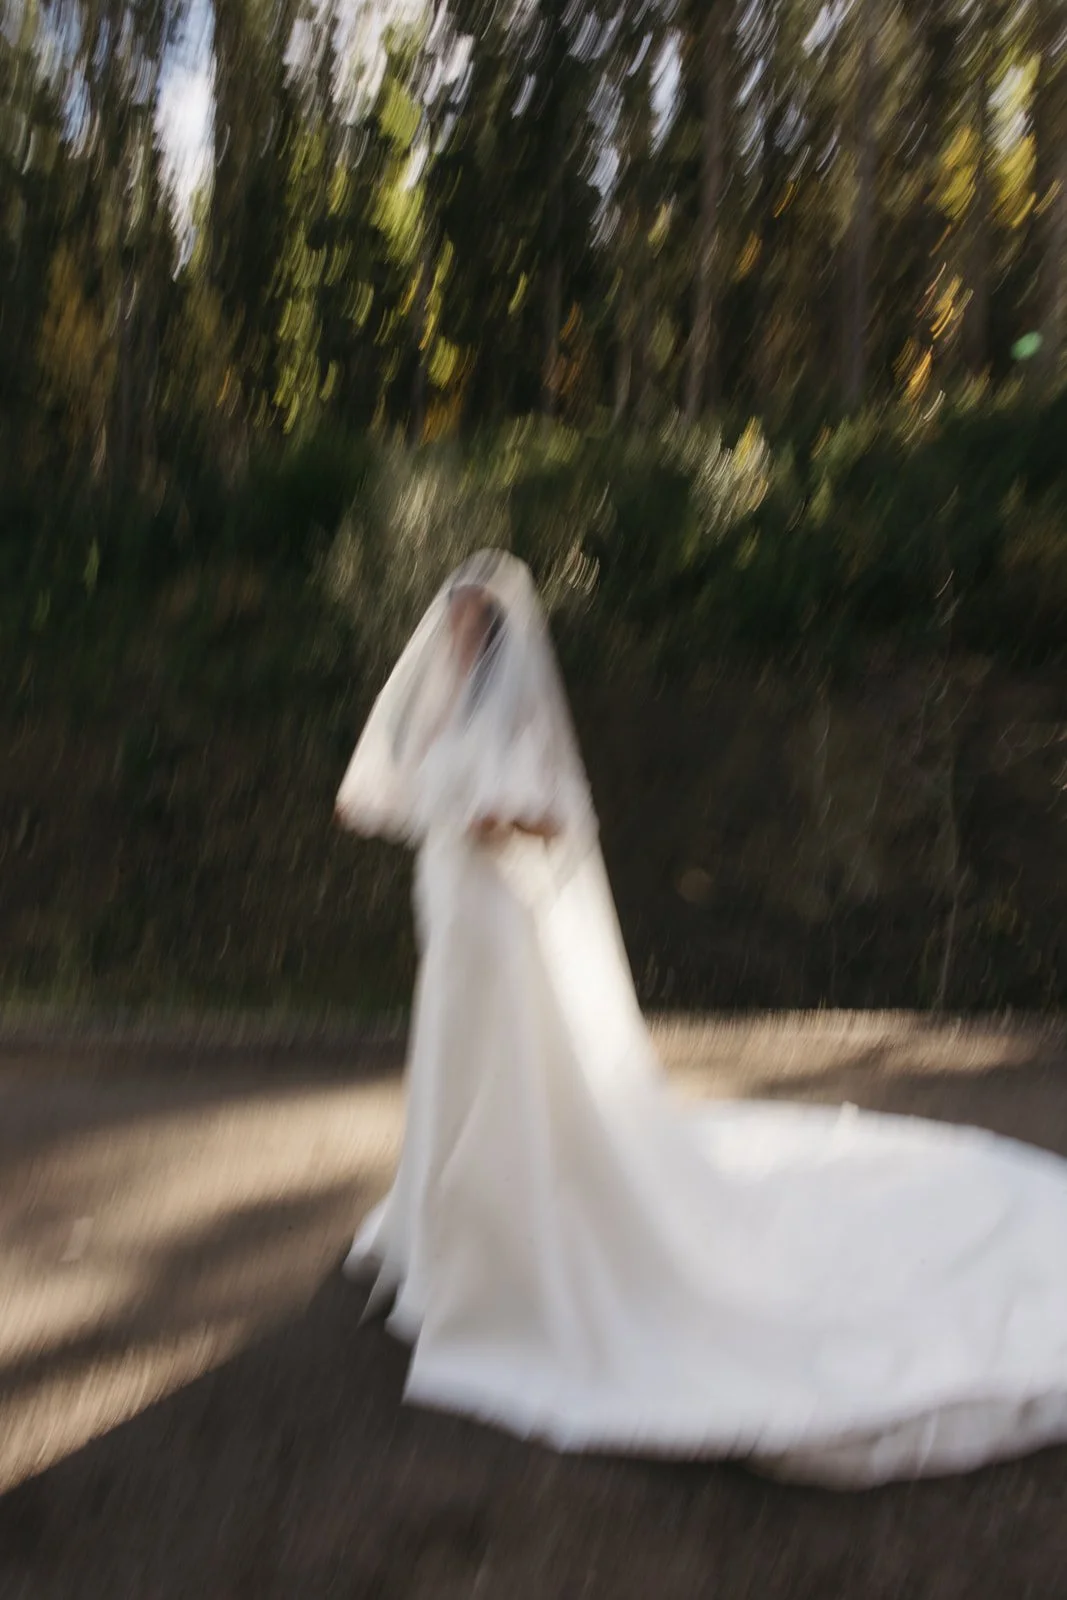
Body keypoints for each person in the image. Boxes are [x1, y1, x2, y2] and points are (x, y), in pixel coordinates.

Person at [334, 548, 1067, 1488]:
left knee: (507, 1069)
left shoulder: (518, 700)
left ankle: (515, 1238)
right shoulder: (438, 699)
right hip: (449, 912)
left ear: (499, 625)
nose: (461, 625)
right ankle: (439, 1230)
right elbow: (392, 785)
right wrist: (421, 805)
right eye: (456, 613)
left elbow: (556, 820)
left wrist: (497, 819)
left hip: (500, 918)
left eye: (474, 614)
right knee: (449, 1059)